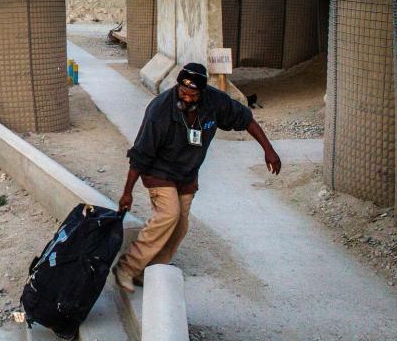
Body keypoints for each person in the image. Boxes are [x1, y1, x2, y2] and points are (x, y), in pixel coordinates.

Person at [112, 62, 281, 292]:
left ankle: (152, 270)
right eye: (183, 92)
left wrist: (268, 149)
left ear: (202, 92)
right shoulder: (160, 110)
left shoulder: (215, 101)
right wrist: (127, 192)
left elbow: (245, 119)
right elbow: (140, 154)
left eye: (193, 94)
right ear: (178, 85)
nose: (188, 98)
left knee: (180, 225)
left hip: (187, 173)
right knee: (168, 215)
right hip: (158, 171)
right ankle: (127, 267)